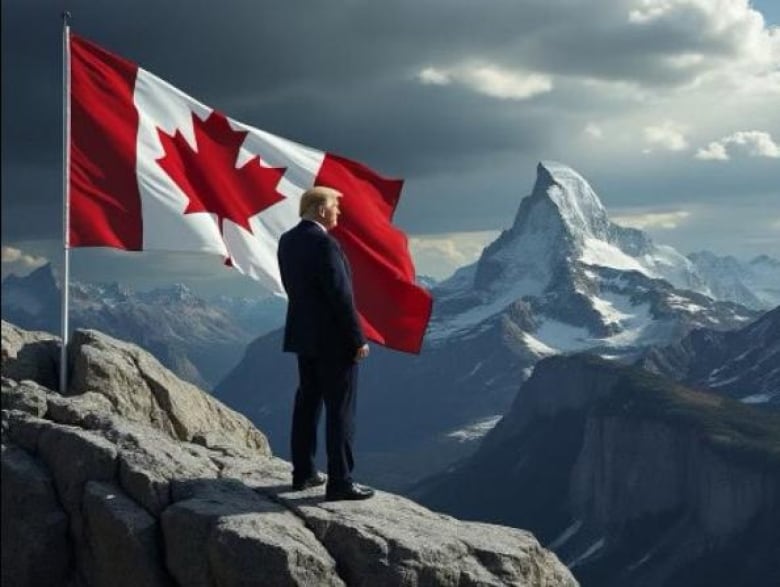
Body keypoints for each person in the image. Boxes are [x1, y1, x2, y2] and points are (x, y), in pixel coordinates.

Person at [277, 186, 374, 501]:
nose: (339, 212)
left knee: (307, 403)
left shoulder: (287, 241)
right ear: (320, 209)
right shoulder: (325, 244)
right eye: (335, 206)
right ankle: (340, 482)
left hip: (303, 336)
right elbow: (340, 295)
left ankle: (302, 473)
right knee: (340, 410)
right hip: (333, 341)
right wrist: (356, 338)